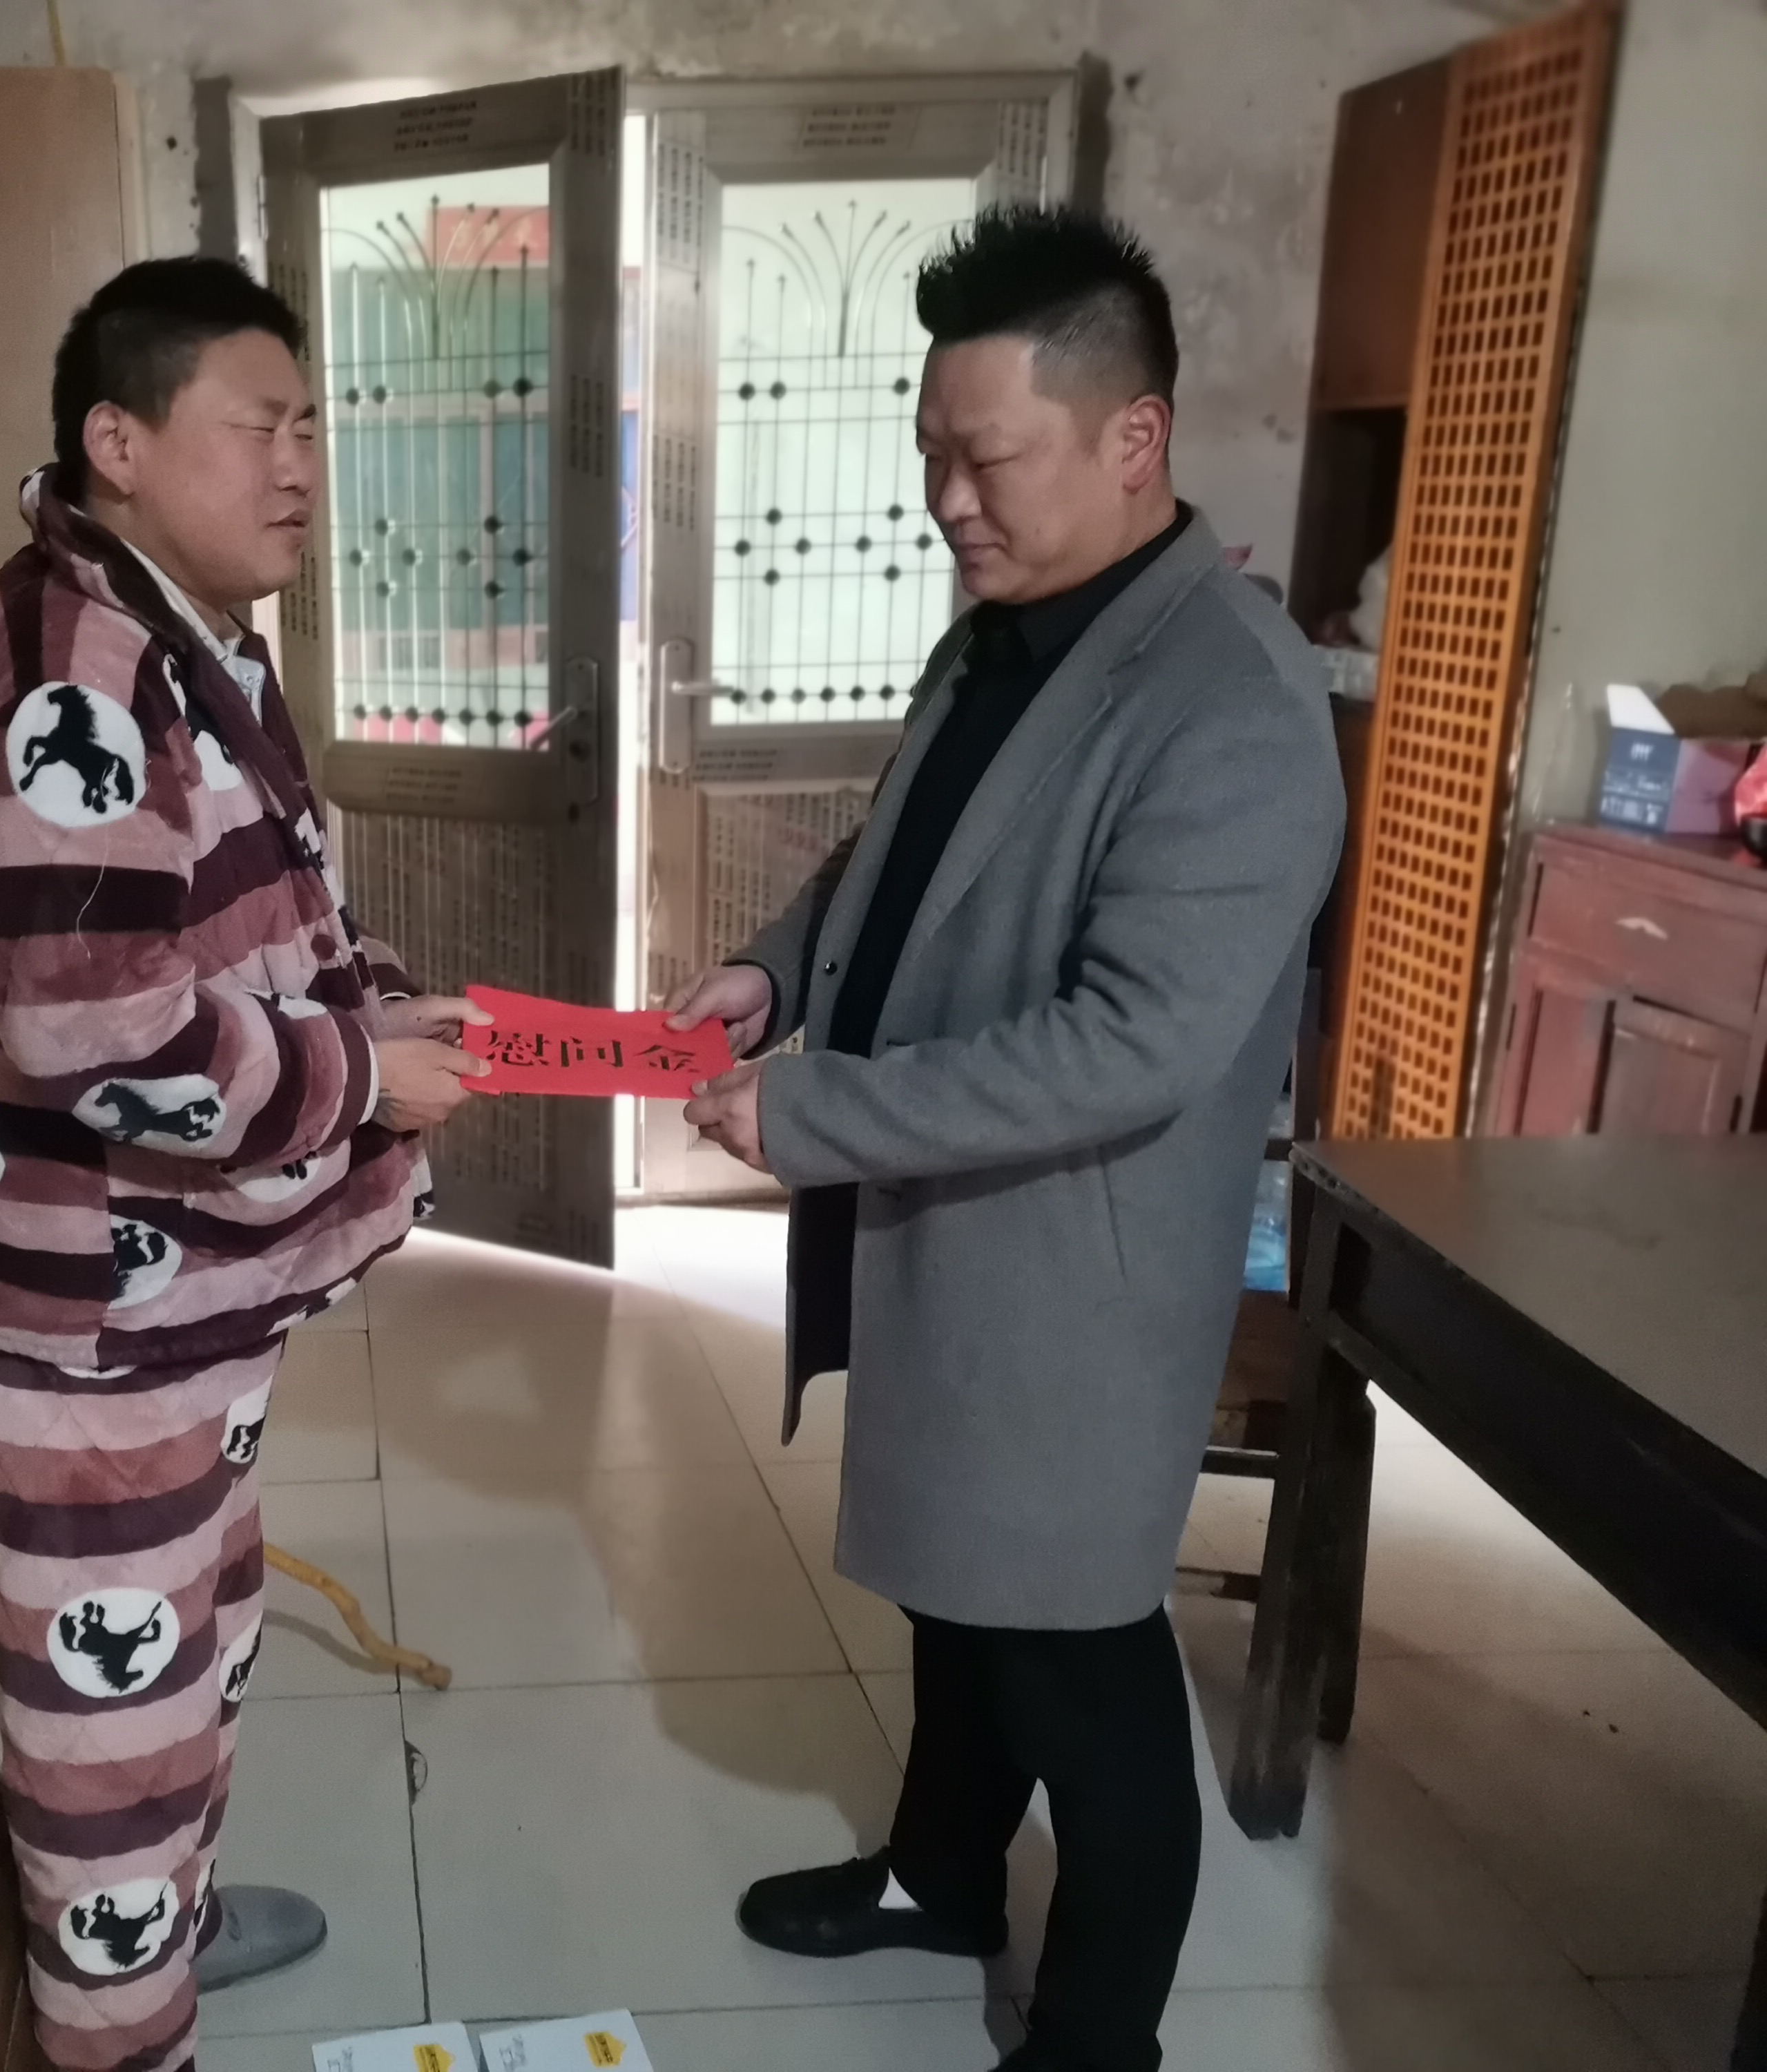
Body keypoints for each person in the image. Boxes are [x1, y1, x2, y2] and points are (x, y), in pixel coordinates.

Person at [670, 205, 1345, 2072]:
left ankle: (1099, 2038)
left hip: (1073, 1265)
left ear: (1136, 438)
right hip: (948, 1222)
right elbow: (898, 854)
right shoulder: (1003, 637)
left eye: (990, 459)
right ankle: (943, 1874)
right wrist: (773, 971)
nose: (949, 501)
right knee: (959, 1589)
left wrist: (813, 1109)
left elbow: (1135, 1044)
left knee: (1075, 1650)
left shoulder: (1232, 701)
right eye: (931, 454)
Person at [0, 256, 487, 2072]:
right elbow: (100, 1037)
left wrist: (379, 1009)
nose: (297, 464)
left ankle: (169, 1928)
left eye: (309, 427)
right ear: (119, 443)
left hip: (178, 1292)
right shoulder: (73, 672)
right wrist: (366, 1077)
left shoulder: (182, 637)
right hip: (90, 1309)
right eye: (256, 427)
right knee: (110, 1733)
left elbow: (250, 924)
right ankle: (121, 2018)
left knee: (198, 1632)